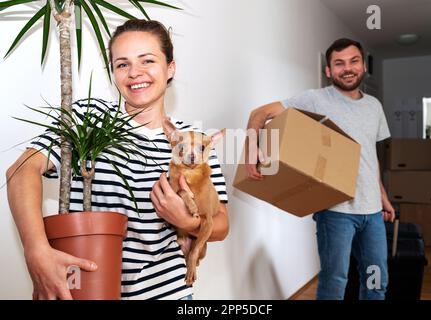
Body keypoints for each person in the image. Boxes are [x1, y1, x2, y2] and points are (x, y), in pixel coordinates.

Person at [6, 19, 229, 300]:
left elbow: (221, 224)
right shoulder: (89, 118)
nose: (135, 73)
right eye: (122, 64)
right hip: (88, 289)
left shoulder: (192, 142)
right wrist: (36, 250)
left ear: (170, 68)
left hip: (171, 293)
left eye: (147, 60)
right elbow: (21, 171)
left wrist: (187, 221)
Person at [245, 38, 395, 300]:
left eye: (353, 61)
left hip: (372, 213)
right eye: (339, 63)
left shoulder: (374, 106)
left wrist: (383, 197)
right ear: (328, 71)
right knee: (335, 281)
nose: (347, 68)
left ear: (363, 67)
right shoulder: (315, 99)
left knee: (376, 281)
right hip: (336, 211)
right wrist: (252, 148)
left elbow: (371, 157)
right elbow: (260, 113)